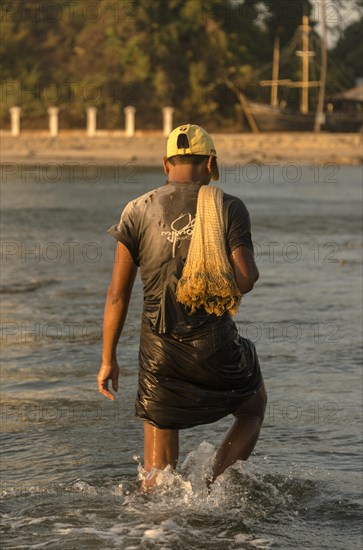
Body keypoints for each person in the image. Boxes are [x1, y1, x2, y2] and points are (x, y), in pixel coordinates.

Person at [97, 124, 267, 489]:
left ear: (165, 163)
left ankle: (157, 530)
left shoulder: (137, 210)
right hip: (214, 345)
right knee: (252, 407)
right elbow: (246, 279)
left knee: (157, 470)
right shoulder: (227, 206)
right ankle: (211, 487)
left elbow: (116, 293)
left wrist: (109, 358)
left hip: (159, 352)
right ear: (209, 163)